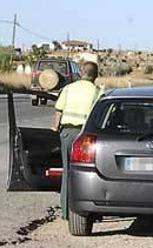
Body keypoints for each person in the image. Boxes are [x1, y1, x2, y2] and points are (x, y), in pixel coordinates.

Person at [51, 61, 102, 220]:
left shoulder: (68, 88)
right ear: (96, 75)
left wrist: (55, 128)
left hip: (67, 133)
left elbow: (59, 111)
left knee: (68, 173)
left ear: (81, 73)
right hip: (86, 136)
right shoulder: (98, 92)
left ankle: (66, 212)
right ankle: (87, 212)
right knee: (87, 173)